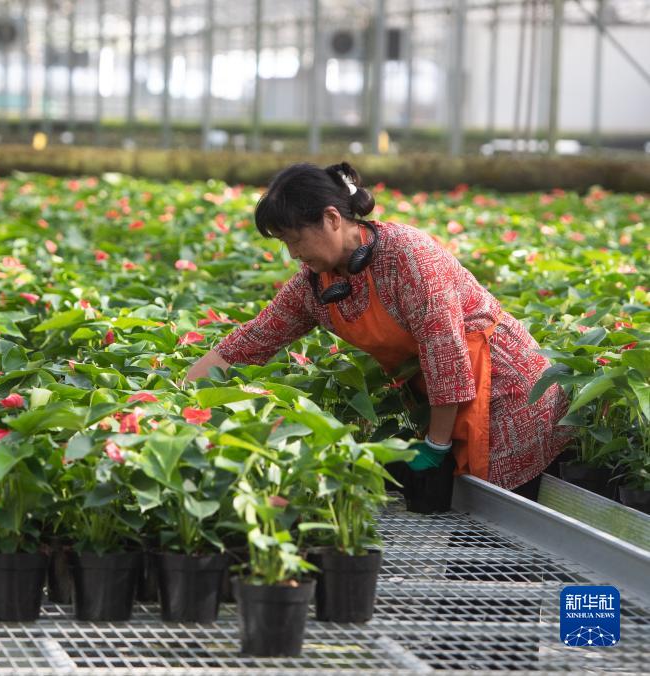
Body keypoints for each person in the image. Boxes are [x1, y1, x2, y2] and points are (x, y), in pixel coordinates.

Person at [186, 162, 571, 506]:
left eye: (295, 239)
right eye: (285, 243)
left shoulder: (407, 255)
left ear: (332, 218)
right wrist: (181, 395)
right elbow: (253, 340)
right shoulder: (314, 284)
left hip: (511, 394)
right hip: (454, 405)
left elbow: (445, 352)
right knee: (473, 526)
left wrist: (436, 446)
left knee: (499, 530)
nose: (292, 253)